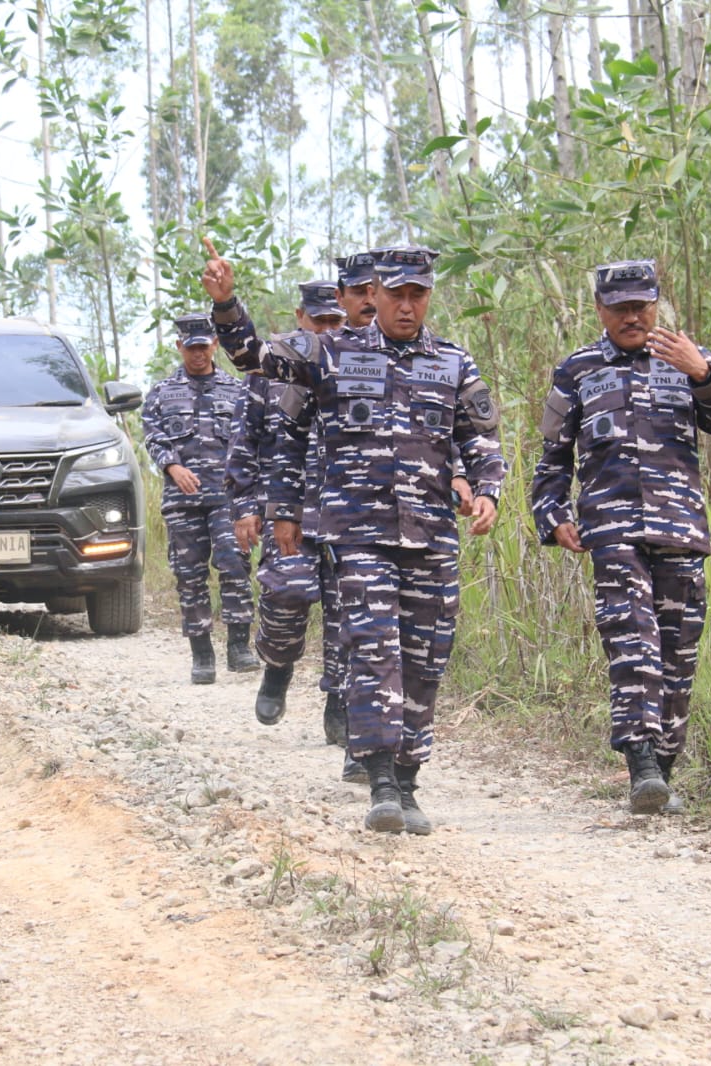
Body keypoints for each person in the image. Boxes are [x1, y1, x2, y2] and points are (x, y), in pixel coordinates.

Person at [203, 243, 504, 835]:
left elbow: (481, 439)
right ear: (374, 296)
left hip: (430, 536)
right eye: (396, 295)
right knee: (371, 648)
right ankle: (380, 782)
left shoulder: (453, 362)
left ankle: (409, 778)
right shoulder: (329, 353)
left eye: (419, 295)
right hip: (357, 533)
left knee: (425, 659)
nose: (407, 306)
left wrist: (487, 487)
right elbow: (254, 359)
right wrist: (227, 305)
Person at [529, 259, 711, 815]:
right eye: (621, 307)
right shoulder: (577, 371)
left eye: (642, 305)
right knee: (632, 640)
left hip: (680, 529)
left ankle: (662, 774)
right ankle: (641, 763)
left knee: (677, 654)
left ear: (657, 303)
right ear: (600, 310)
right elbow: (552, 459)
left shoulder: (688, 359)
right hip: (612, 530)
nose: (633, 316)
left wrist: (704, 374)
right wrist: (552, 515)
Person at [226, 281, 344, 729]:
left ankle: (341, 707)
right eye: (321, 322)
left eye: (337, 321)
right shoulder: (269, 374)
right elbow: (244, 443)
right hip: (288, 510)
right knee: (286, 596)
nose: (329, 330)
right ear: (301, 318)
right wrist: (244, 505)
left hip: (347, 514)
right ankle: (277, 667)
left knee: (348, 615)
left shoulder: (360, 367)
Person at [141, 312, 260, 684]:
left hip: (226, 500)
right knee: (189, 576)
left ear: (214, 345)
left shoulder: (235, 390)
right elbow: (153, 437)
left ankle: (239, 646)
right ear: (179, 347)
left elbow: (247, 443)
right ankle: (202, 654)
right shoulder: (162, 393)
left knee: (235, 567)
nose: (198, 354)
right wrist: (172, 467)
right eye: (190, 347)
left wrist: (249, 495)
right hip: (183, 502)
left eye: (204, 346)